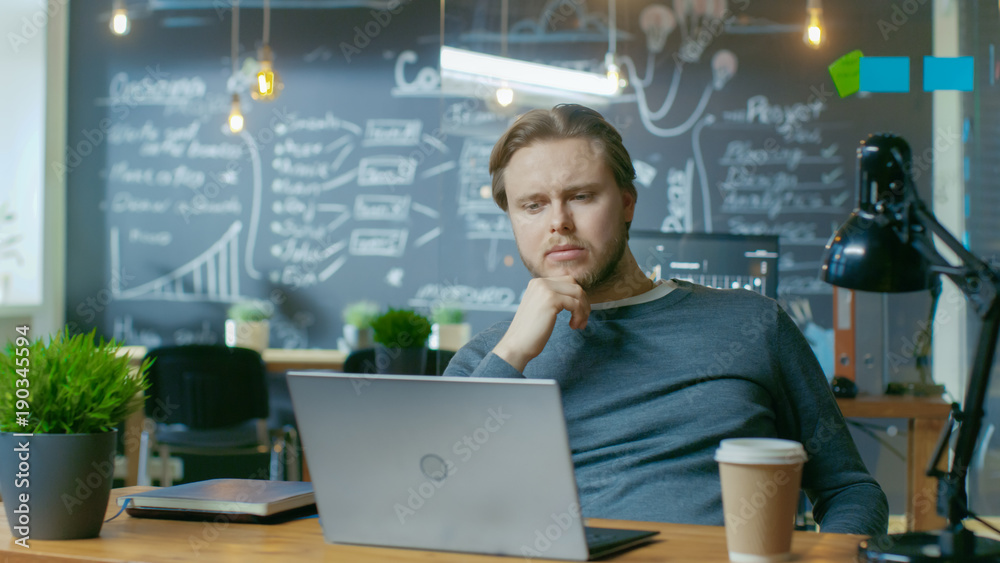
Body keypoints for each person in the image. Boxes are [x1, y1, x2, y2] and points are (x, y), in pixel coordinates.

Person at [442, 103, 889, 537]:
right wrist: (514, 354)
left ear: (627, 203)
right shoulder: (487, 361)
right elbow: (433, 507)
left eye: (581, 196)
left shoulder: (752, 325)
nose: (559, 222)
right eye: (533, 206)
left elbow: (850, 491)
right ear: (513, 220)